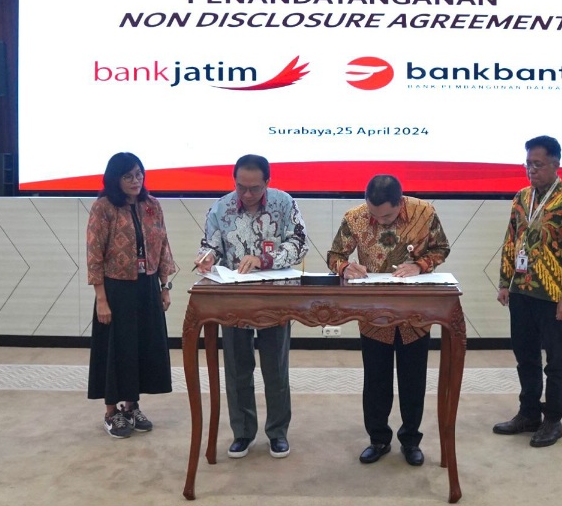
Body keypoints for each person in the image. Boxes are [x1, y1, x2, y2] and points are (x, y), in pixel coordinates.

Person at [327, 174, 450, 467]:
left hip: (415, 313)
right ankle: (378, 439)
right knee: (376, 380)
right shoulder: (355, 218)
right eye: (374, 214)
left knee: (413, 380)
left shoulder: (424, 212)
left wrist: (419, 265)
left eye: (387, 216)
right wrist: (345, 267)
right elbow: (334, 255)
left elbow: (441, 248)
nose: (379, 221)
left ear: (400, 202)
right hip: (374, 313)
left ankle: (411, 440)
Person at [194, 154, 308, 459]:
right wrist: (206, 257)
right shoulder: (220, 208)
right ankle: (242, 433)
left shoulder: (285, 203)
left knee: (275, 368)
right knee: (237, 368)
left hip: (274, 298)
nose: (246, 194)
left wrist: (264, 259)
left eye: (255, 188)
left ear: (267, 182)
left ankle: (277, 433)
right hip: (233, 299)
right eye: (241, 187)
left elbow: (299, 244)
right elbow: (211, 245)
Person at [493, 135, 562, 448]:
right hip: (522, 291)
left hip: (553, 295)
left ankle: (553, 419)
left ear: (555, 164)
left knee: (555, 360)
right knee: (526, 357)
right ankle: (529, 413)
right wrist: (504, 282)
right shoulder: (522, 198)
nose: (531, 170)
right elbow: (511, 240)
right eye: (528, 164)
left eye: (538, 164)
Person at [86, 152, 175, 438]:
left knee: (141, 346)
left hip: (146, 285)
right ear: (115, 179)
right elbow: (94, 254)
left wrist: (164, 286)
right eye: (128, 176)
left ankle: (131, 406)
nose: (136, 180)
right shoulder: (103, 207)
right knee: (116, 349)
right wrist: (101, 299)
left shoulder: (152, 205)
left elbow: (163, 245)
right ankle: (111, 411)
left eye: (139, 174)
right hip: (116, 288)